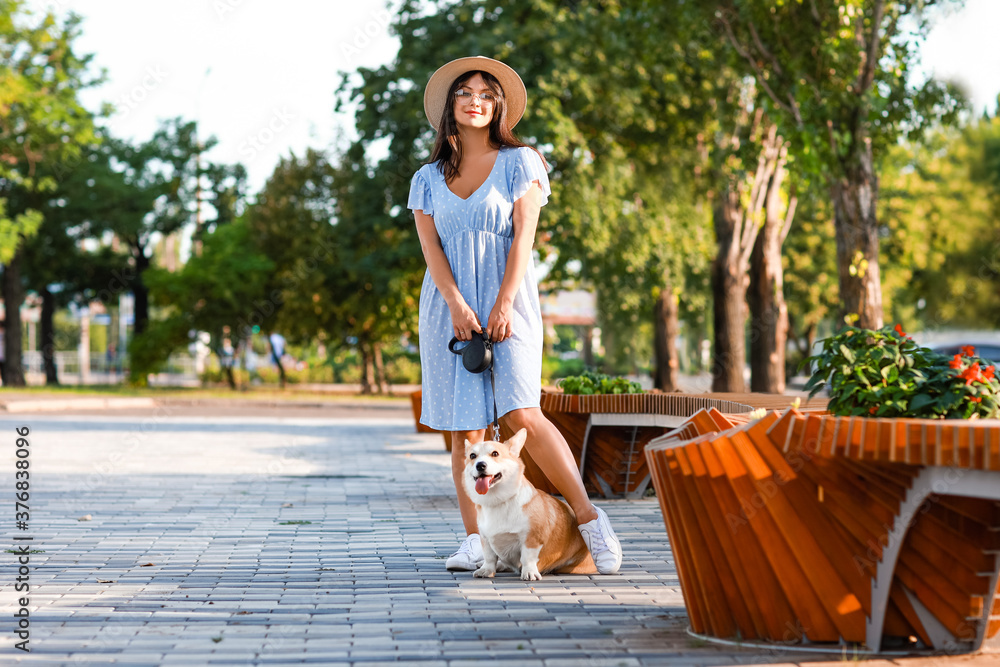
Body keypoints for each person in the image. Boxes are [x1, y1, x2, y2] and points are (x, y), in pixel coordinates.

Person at [406, 56, 622, 574]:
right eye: (465, 92)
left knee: (524, 411)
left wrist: (502, 302)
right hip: (447, 307)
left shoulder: (521, 162)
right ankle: (477, 542)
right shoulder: (427, 178)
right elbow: (431, 251)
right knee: (466, 430)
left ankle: (591, 521)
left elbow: (524, 236)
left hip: (511, 299)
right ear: (450, 106)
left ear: (498, 106)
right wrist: (458, 305)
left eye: (486, 92)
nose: (476, 99)